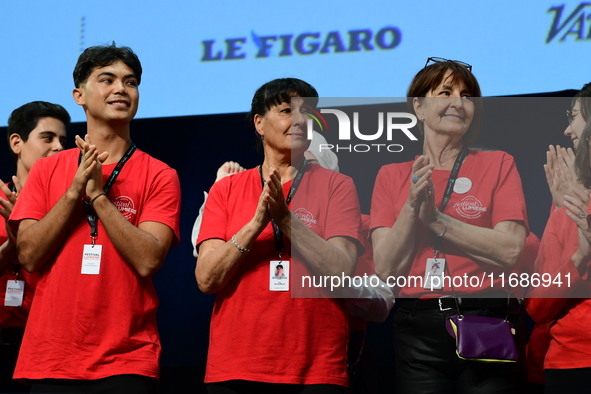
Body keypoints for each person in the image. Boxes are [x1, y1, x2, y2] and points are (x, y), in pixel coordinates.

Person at [8, 44, 181, 394]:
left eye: (130, 82)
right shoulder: (46, 169)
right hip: (50, 358)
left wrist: (99, 196)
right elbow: (27, 256)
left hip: (127, 359)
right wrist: (73, 193)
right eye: (107, 79)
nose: (121, 89)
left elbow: (148, 260)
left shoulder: (160, 174)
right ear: (79, 96)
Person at [370, 58, 529, 393]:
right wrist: (412, 207)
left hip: (485, 317)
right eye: (445, 92)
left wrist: (437, 221)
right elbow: (385, 271)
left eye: (468, 96)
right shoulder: (391, 175)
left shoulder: (498, 163)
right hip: (417, 328)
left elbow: (511, 251)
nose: (459, 102)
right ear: (419, 106)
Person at [195, 77, 363, 393]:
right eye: (287, 110)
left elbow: (341, 273)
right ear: (259, 123)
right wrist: (256, 224)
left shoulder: (337, 186)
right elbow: (206, 279)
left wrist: (286, 222)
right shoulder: (226, 189)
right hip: (237, 366)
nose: (300, 120)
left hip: (316, 368)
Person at [526, 84, 591, 394]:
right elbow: (538, 306)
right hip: (572, 364)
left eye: (574, 116)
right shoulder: (568, 207)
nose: (567, 130)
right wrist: (580, 257)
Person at [0, 101, 69, 393]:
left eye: (63, 141)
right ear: (17, 142)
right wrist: (14, 237)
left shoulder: (66, 206)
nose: (58, 148)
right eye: (47, 137)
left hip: (48, 339)